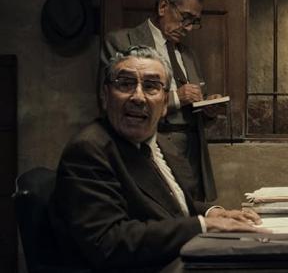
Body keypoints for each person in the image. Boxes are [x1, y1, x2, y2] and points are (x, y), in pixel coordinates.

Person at [51, 46, 267, 271]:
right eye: (125, 84)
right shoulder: (89, 150)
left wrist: (212, 213)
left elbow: (169, 205)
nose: (138, 97)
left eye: (151, 86)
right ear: (105, 96)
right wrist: (205, 225)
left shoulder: (162, 143)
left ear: (164, 104)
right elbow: (109, 242)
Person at [100, 0, 219, 201]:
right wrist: (176, 98)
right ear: (163, 7)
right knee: (160, 208)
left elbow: (194, 105)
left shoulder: (188, 54)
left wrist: (208, 109)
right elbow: (109, 103)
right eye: (185, 18)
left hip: (192, 153)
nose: (189, 28)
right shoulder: (121, 42)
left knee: (192, 211)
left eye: (195, 22)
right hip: (151, 147)